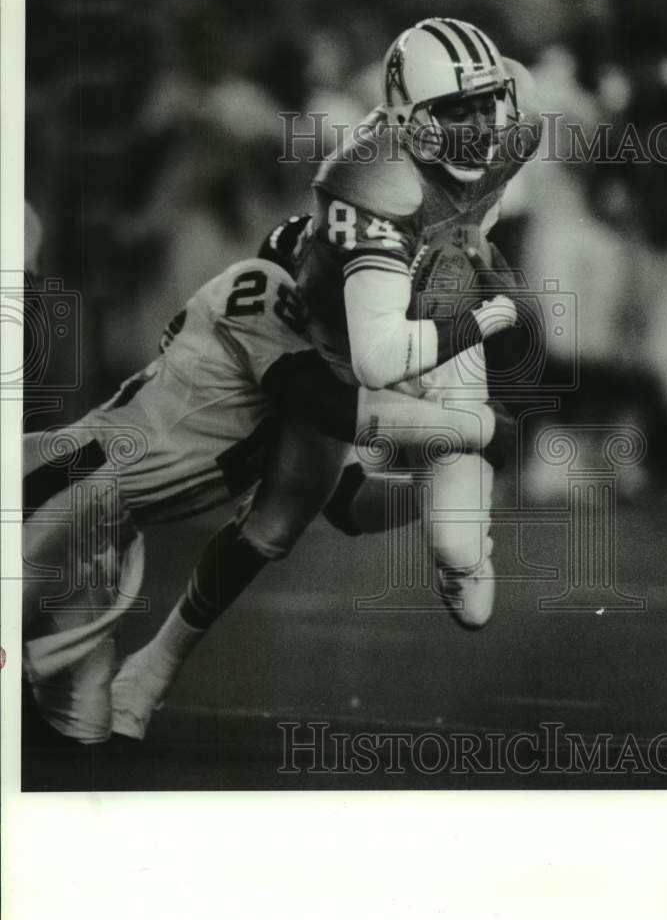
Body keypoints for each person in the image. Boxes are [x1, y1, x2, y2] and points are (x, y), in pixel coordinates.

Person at [108, 17, 544, 740]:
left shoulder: (521, 112)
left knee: (461, 562)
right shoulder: (370, 177)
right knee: (279, 519)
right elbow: (378, 358)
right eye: (453, 112)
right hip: (347, 338)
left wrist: (479, 256)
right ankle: (152, 667)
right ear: (406, 119)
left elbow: (483, 207)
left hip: (442, 301)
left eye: (484, 105)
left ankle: (440, 508)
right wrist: (491, 320)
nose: (477, 128)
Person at [23, 250, 509, 745]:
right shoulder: (261, 294)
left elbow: (346, 502)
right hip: (63, 484)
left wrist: (434, 494)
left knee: (80, 732)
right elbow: (328, 405)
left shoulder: (324, 361)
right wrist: (478, 428)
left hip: (107, 537)